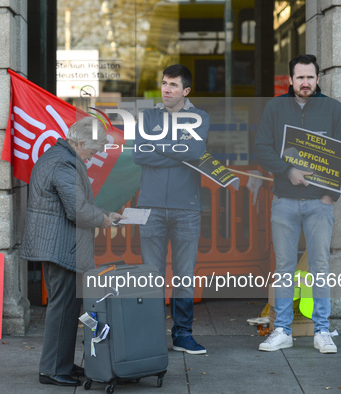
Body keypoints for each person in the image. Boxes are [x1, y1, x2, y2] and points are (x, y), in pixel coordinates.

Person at [254, 54, 341, 353]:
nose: (305, 83)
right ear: (291, 80)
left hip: (319, 203)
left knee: (320, 267)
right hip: (284, 201)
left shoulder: (334, 109)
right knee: (284, 267)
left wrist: (330, 195)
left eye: (310, 77)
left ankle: (322, 331)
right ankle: (283, 330)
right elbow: (261, 148)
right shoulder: (275, 107)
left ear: (318, 78)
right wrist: (288, 170)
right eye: (300, 78)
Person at [21, 117, 125, 386]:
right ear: (80, 143)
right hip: (61, 246)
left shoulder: (60, 157)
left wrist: (104, 214)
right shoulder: (64, 163)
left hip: (60, 244)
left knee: (69, 309)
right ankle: (52, 370)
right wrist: (103, 219)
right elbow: (77, 209)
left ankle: (63, 364)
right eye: (92, 151)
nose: (93, 157)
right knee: (63, 308)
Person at [133, 64, 210, 355]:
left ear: (186, 91)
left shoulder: (199, 117)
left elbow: (194, 151)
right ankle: (152, 336)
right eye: (164, 83)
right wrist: (176, 149)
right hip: (150, 207)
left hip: (186, 208)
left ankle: (183, 335)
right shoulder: (148, 116)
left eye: (173, 85)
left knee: (184, 275)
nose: (166, 89)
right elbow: (140, 154)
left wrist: (160, 147)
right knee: (151, 276)